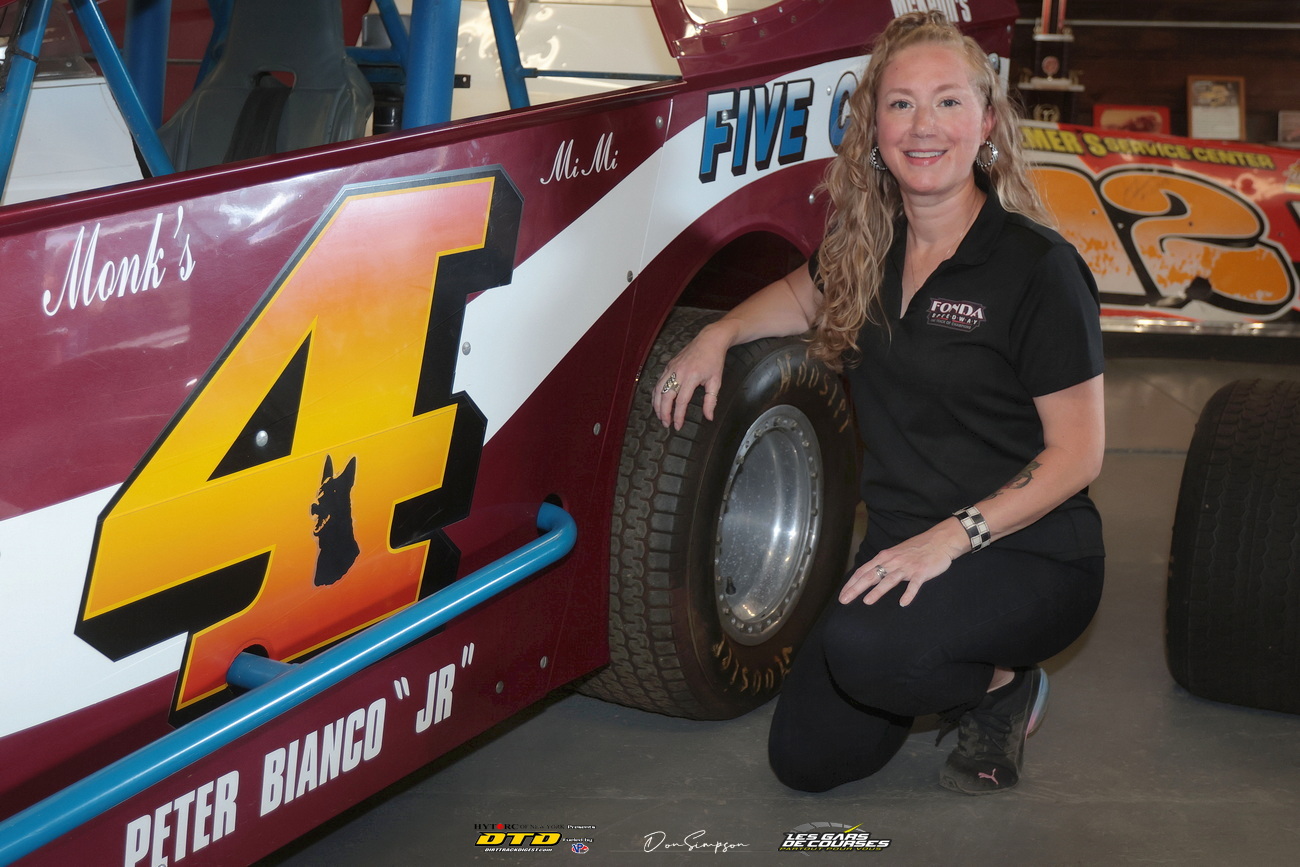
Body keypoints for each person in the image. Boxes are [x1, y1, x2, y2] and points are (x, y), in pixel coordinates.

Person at [652, 10, 1105, 795]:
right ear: (873, 127)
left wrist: (952, 539)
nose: (923, 126)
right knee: (804, 760)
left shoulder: (1037, 268)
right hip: (901, 545)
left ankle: (1004, 685)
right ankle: (944, 664)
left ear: (986, 122)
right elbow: (800, 298)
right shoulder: (868, 242)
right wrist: (718, 332)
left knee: (873, 652)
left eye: (947, 102)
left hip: (1026, 550)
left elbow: (1078, 454)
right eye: (900, 104)